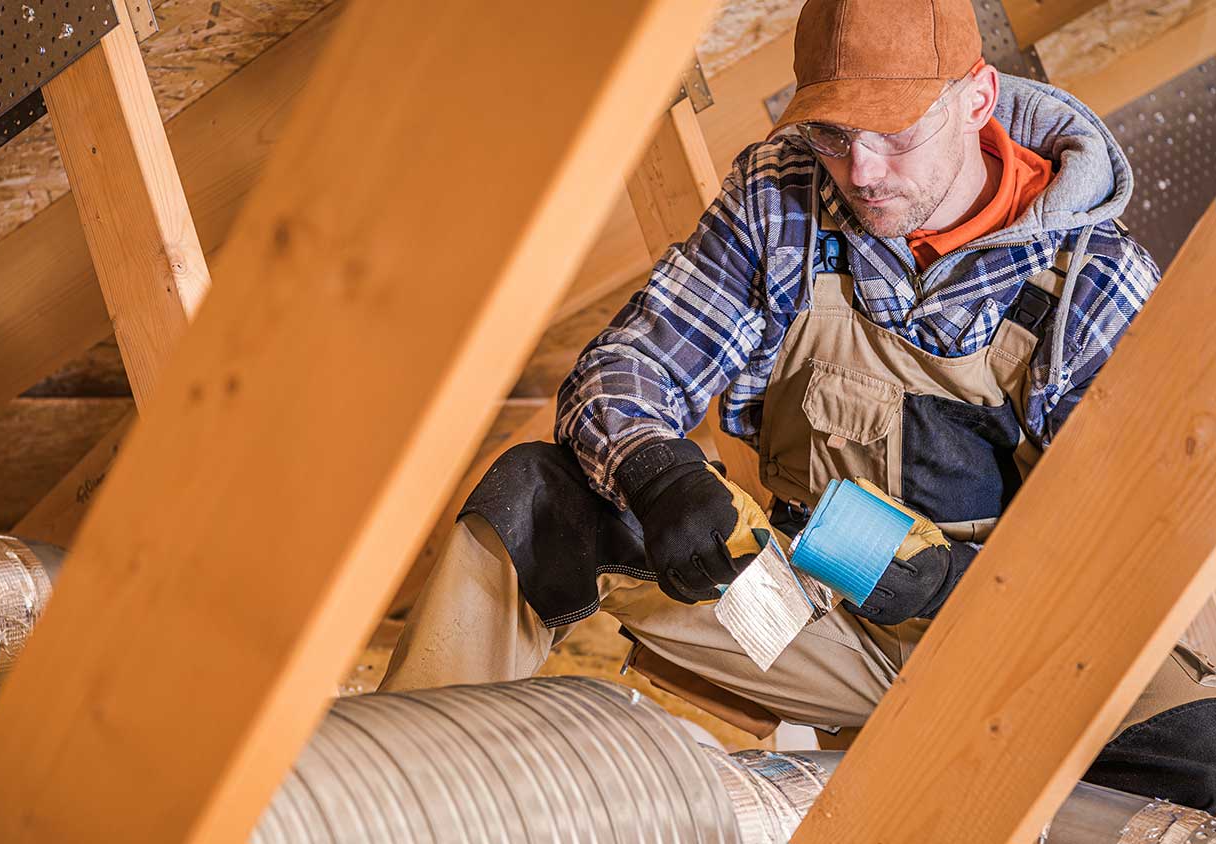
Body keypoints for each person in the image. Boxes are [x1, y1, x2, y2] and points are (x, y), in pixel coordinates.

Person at [381, 0, 1216, 807]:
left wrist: (957, 585)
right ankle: (391, 794)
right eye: (833, 135)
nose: (862, 173)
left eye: (894, 136)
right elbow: (630, 366)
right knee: (538, 500)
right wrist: (659, 474)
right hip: (813, 618)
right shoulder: (780, 199)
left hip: (1040, 645)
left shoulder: (1091, 279)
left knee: (1198, 766)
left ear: (977, 99)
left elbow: (1139, 555)